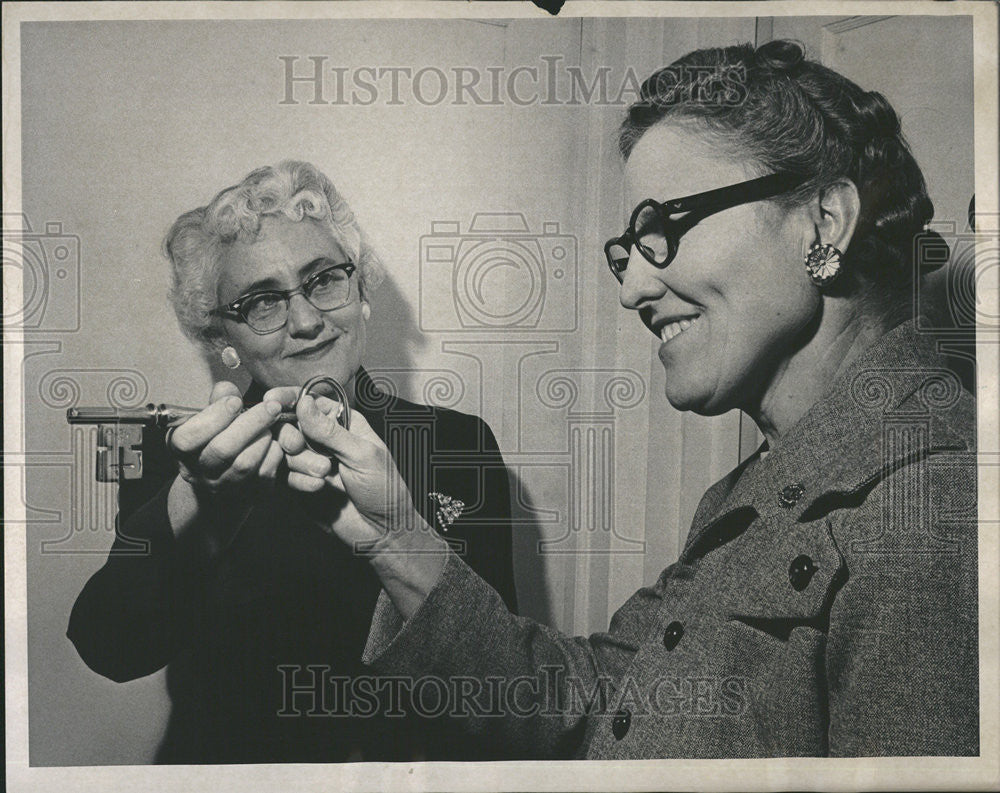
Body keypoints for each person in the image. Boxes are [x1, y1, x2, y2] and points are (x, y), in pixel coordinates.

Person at [278, 41, 979, 758]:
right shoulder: (761, 489)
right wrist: (397, 534)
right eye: (629, 250)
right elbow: (594, 699)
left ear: (824, 221)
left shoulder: (931, 499)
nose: (632, 289)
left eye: (665, 229)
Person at [67, 161, 518, 763]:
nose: (306, 321)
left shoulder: (456, 444)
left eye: (324, 280)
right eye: (261, 302)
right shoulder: (181, 455)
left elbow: (504, 676)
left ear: (360, 291)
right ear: (221, 338)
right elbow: (113, 647)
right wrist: (197, 503)